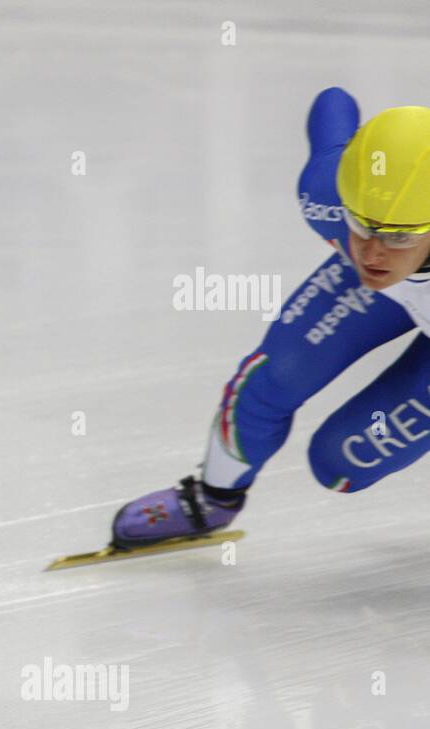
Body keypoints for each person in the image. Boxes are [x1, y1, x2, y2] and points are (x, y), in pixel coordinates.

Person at [113, 88, 430, 547]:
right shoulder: (329, 198)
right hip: (393, 288)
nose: (374, 252)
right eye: (362, 226)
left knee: (341, 462)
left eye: (398, 237)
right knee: (271, 380)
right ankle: (212, 499)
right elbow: (332, 105)